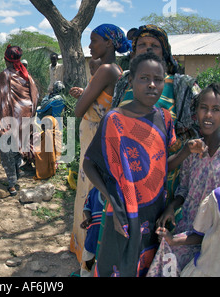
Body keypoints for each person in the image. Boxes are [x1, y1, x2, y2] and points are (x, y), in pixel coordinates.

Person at [82, 52, 180, 277]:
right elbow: (89, 164)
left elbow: (161, 168)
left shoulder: (165, 119)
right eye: (144, 78)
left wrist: (186, 151)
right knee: (119, 266)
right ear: (131, 81)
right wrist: (113, 204)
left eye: (158, 79)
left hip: (155, 211)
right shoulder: (115, 120)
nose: (152, 85)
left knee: (149, 266)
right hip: (124, 214)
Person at [147, 83, 220, 276]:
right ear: (196, 112)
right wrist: (172, 206)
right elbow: (184, 189)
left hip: (219, 234)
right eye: (204, 108)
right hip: (189, 229)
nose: (209, 115)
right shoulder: (193, 150)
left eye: (216, 110)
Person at [111, 25, 201, 203]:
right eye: (142, 44)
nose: (148, 48)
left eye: (155, 44)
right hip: (125, 172)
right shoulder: (124, 82)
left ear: (165, 51)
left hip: (169, 175)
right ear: (134, 51)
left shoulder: (183, 85)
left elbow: (201, 127)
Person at [69, 24, 131, 265]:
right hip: (96, 136)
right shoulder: (116, 69)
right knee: (89, 191)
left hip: (95, 137)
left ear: (109, 43)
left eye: (94, 40)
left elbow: (78, 110)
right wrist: (87, 91)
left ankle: (86, 252)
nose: (90, 45)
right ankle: (87, 251)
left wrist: (85, 94)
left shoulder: (105, 69)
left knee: (87, 191)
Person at [156, 132, 220, 277]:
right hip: (201, 267)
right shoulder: (217, 199)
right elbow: (202, 235)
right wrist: (172, 239)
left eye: (216, 109)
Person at [0, 45, 39, 196]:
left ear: (5, 59)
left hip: (7, 123)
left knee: (7, 152)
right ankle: (16, 175)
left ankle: (12, 183)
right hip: (24, 122)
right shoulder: (27, 77)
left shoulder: (0, 78)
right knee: (17, 150)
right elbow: (35, 97)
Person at [79, 188, 105, 277]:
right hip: (93, 237)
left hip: (108, 239)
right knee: (88, 261)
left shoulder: (118, 191)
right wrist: (88, 218)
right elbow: (86, 207)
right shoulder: (94, 191)